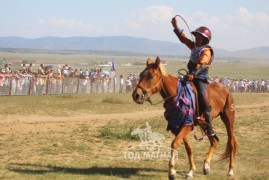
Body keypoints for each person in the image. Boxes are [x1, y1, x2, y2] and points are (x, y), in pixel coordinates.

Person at [171, 17, 215, 136]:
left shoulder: (206, 50)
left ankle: (209, 127)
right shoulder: (194, 47)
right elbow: (184, 39)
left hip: (200, 78)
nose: (196, 38)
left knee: (202, 96)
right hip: (189, 76)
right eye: (196, 36)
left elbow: (202, 65)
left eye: (199, 37)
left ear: (205, 39)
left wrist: (193, 74)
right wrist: (176, 27)